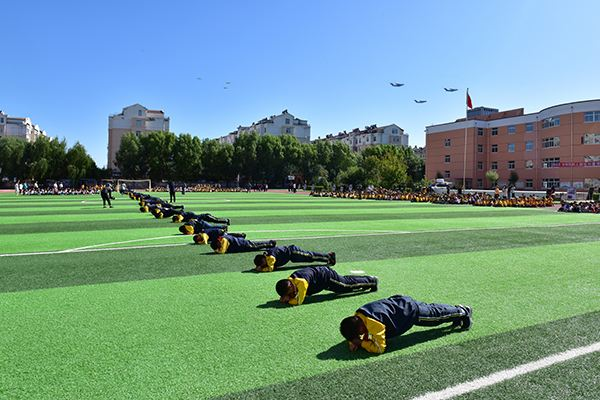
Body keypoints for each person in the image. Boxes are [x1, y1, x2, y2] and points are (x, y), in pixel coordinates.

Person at [339, 295, 472, 354]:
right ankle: (457, 312)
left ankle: (463, 311)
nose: (361, 335)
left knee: (436, 317)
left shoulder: (374, 324)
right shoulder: (358, 314)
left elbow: (380, 348)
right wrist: (352, 340)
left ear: (361, 328)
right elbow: (352, 328)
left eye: (359, 334)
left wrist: (361, 343)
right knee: (434, 309)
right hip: (400, 302)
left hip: (409, 312)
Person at [275, 266, 378, 306]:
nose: (293, 292)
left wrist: (289, 300)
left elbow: (298, 301)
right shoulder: (290, 281)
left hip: (327, 277)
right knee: (346, 281)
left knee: (346, 286)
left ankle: (372, 281)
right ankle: (367, 279)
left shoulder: (302, 282)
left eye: (291, 291)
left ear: (291, 286)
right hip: (322, 277)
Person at [253, 245, 335, 272]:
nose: (263, 265)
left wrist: (262, 269)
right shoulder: (266, 255)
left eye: (262, 263)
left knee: (311, 256)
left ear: (263, 259)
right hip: (292, 256)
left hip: (293, 252)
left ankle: (329, 256)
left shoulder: (270, 257)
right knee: (309, 259)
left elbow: (270, 268)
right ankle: (327, 258)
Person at [209, 234, 276, 254]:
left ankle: (270, 244)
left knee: (256, 246)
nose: (218, 247)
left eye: (217, 246)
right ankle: (269, 243)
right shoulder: (223, 237)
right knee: (255, 245)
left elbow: (222, 251)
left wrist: (217, 251)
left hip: (242, 244)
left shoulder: (223, 240)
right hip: (240, 243)